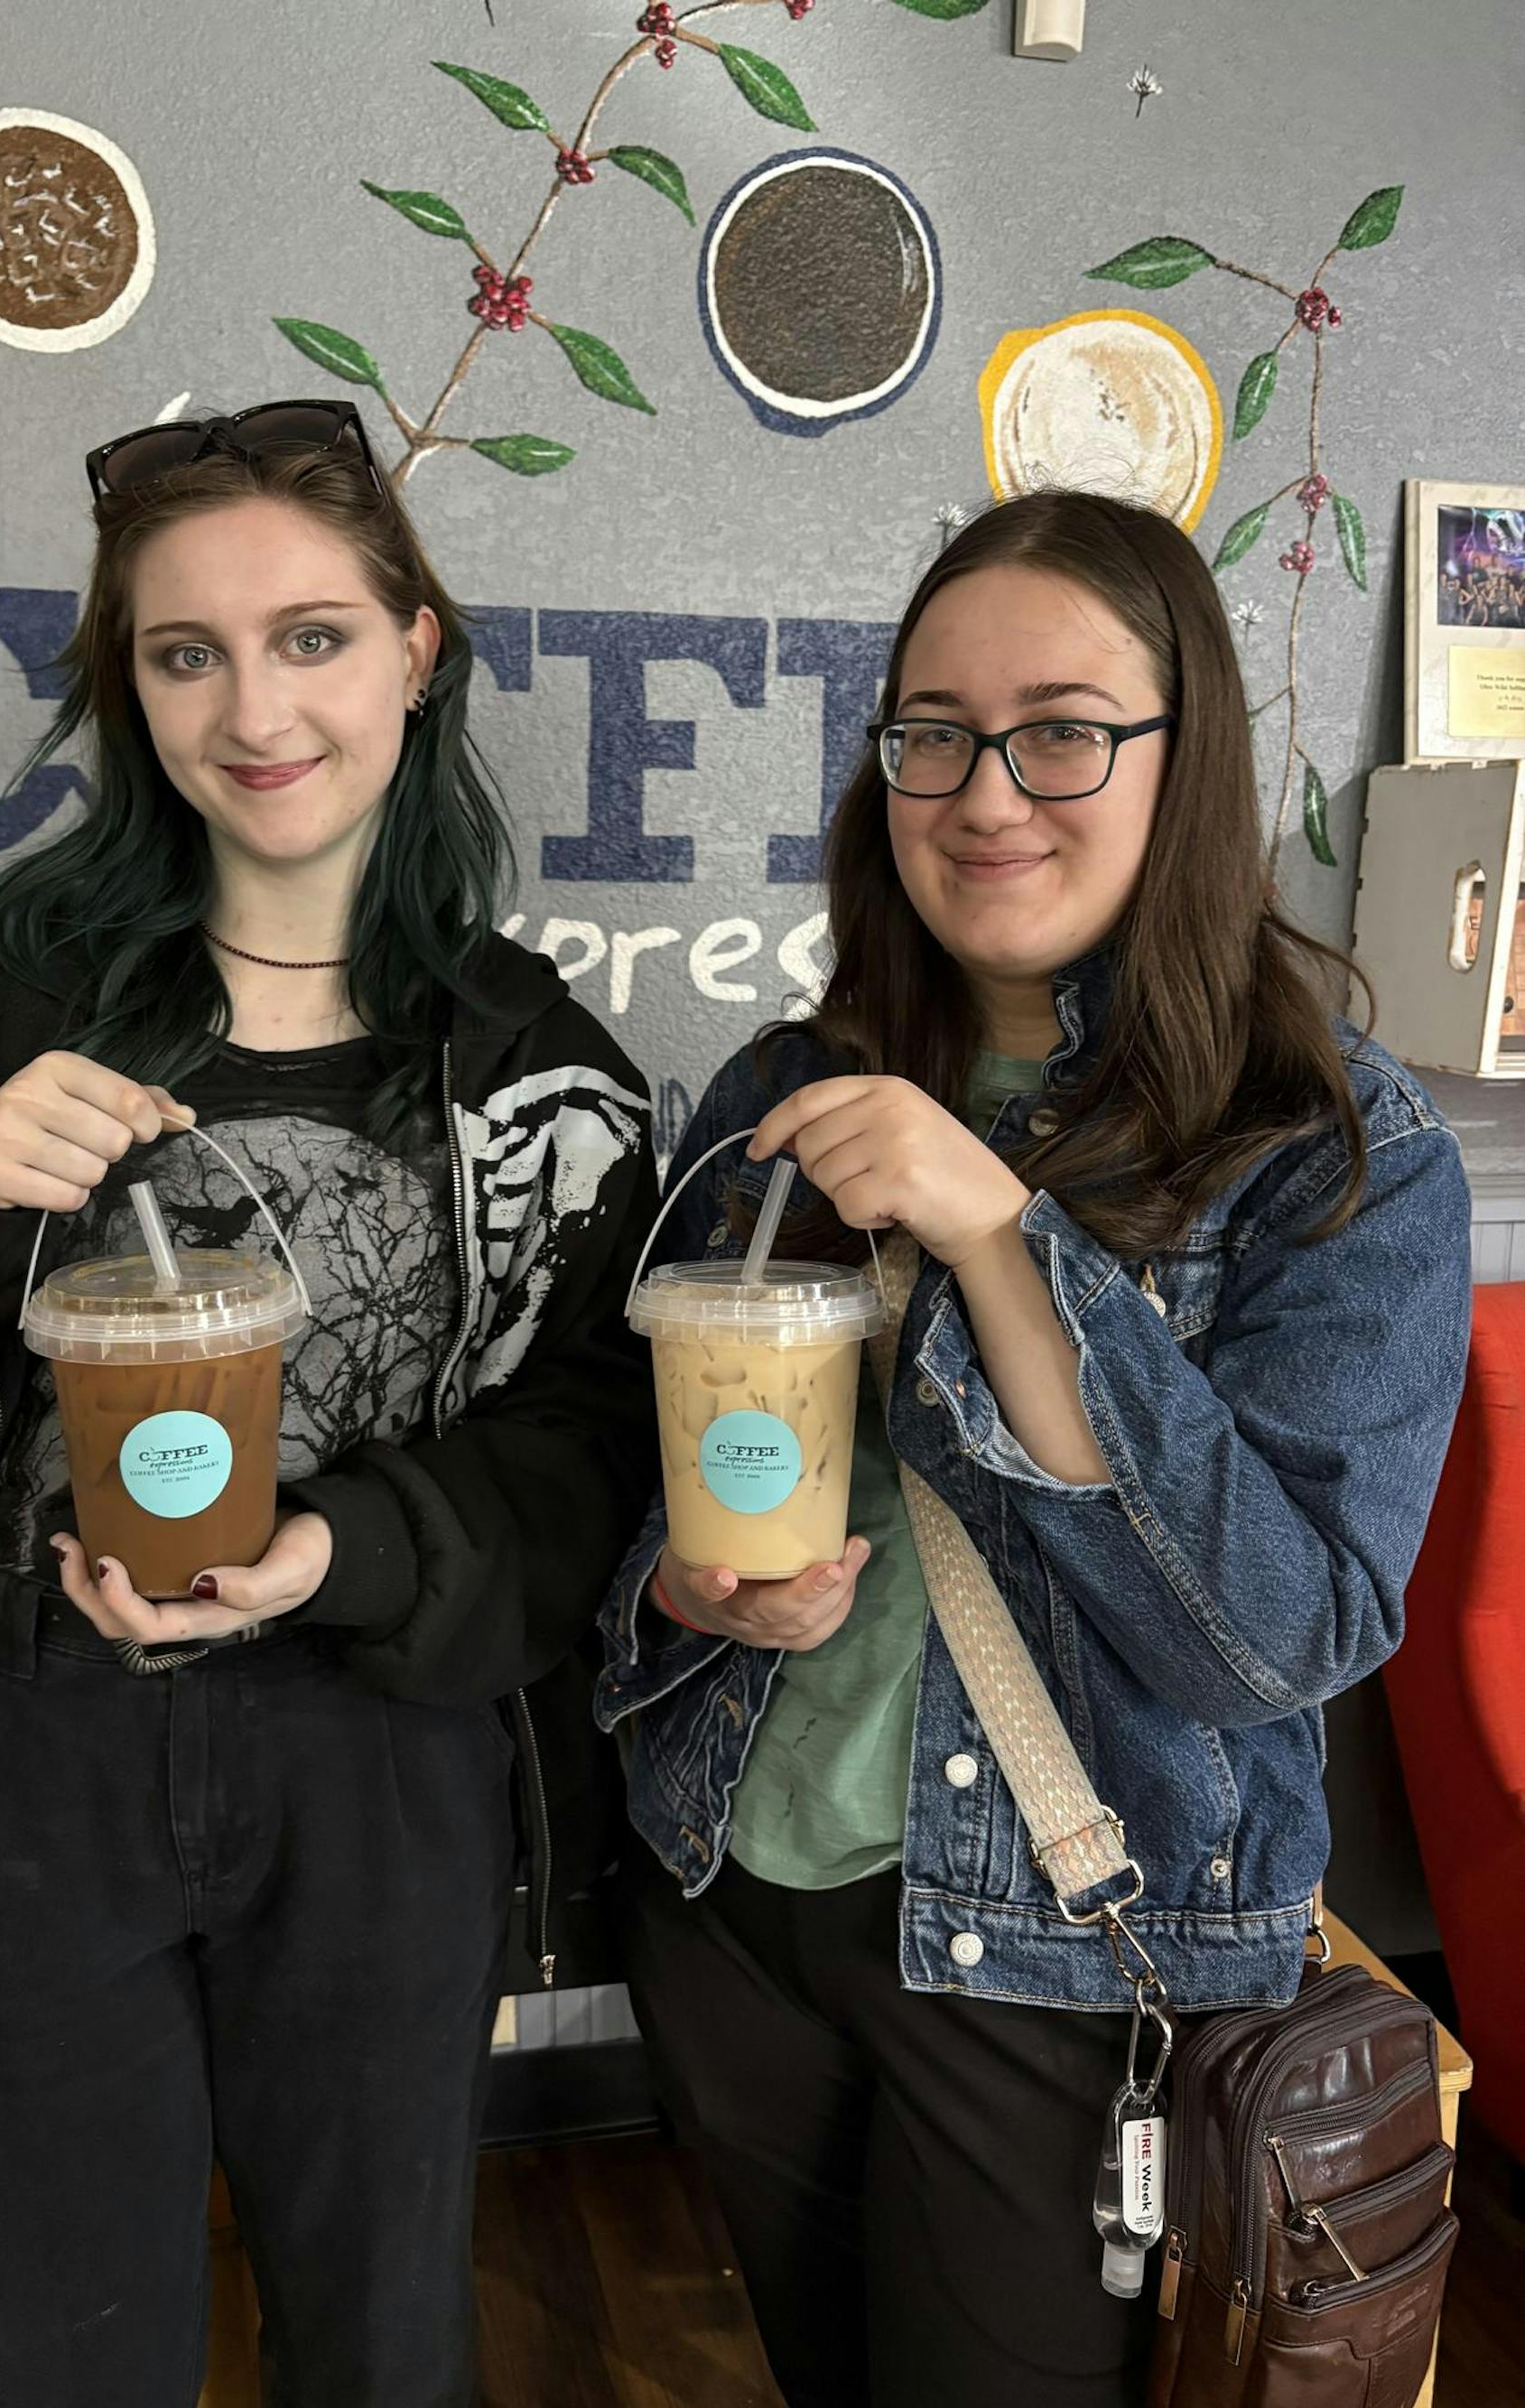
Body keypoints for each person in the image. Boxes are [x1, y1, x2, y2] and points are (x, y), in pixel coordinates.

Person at [0, 400, 659, 2408]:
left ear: (416, 647)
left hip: (381, 1764)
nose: (256, 706)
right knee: (50, 2359)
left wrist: (345, 1545)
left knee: (381, 2344)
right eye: (184, 652)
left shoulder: (535, 1068)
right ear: (126, 684)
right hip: (25, 1745)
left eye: (313, 635)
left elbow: (582, 1466)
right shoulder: (4, 1001)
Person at [598, 490, 1471, 2407]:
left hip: (1067, 1965)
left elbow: (1279, 1637)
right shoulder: (779, 1090)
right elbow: (644, 1487)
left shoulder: (1336, 1148)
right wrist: (673, 1589)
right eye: (933, 731)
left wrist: (1002, 1230)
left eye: (1063, 727)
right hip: (737, 1895)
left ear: (1186, 757)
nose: (987, 790)